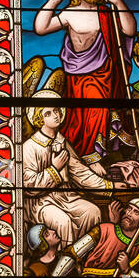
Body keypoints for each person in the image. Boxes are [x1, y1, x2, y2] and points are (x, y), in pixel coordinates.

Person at [33, 0, 136, 159]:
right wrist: (52, 2)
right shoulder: (70, 14)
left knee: (99, 113)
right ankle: (83, 159)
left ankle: (95, 159)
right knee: (79, 121)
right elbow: (41, 28)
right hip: (77, 78)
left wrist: (118, 2)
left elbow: (130, 30)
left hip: (104, 77)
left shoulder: (107, 13)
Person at [22, 91, 115, 245]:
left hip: (67, 197)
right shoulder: (30, 147)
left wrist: (110, 186)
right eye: (48, 113)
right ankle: (66, 265)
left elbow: (80, 173)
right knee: (62, 221)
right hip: (40, 202)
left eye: (57, 110)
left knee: (92, 212)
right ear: (39, 119)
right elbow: (29, 186)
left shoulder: (62, 142)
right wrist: (54, 170)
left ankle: (84, 259)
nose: (56, 115)